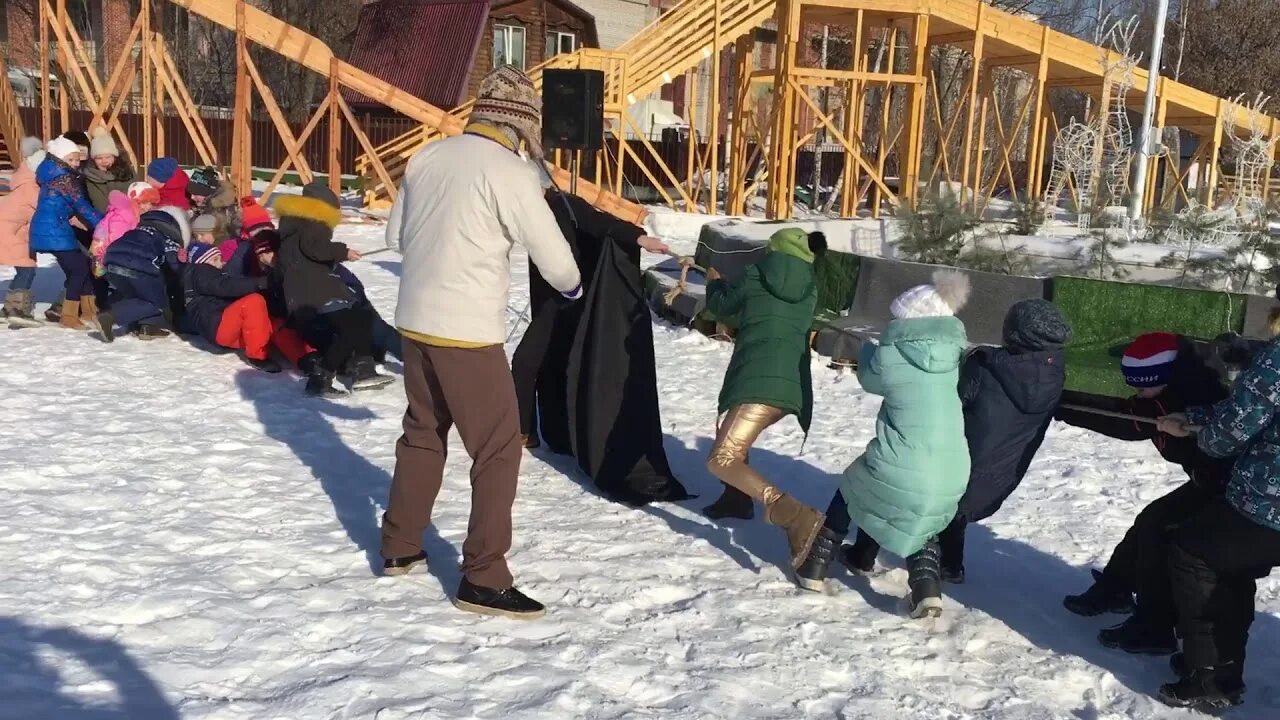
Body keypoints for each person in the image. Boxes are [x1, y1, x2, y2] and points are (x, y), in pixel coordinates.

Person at [380, 66, 582, 620]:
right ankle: (484, 576)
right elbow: (556, 259)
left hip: (415, 324)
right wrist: (573, 285)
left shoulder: (426, 157)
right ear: (522, 127)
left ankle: (399, 546)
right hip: (467, 333)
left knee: (422, 434)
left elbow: (394, 236)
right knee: (497, 449)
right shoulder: (512, 173)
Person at [797, 299, 1071, 590]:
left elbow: (954, 398)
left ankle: (871, 556)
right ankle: (947, 565)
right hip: (1003, 474)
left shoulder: (987, 366)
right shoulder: (1054, 376)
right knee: (926, 496)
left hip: (958, 461)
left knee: (896, 486)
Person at [511, 187, 689, 505]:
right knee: (541, 363)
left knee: (528, 361)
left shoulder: (558, 202)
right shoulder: (519, 207)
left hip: (570, 298)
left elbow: (598, 222)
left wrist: (639, 239)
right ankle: (536, 431)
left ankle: (525, 430)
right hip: (549, 297)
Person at [1057, 333, 1232, 657]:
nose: (1137, 393)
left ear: (1162, 378)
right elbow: (1125, 417)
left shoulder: (1191, 397)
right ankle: (1116, 589)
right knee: (1151, 520)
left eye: (1141, 386)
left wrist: (1064, 406)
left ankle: (1156, 627)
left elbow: (1126, 422)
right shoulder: (1168, 393)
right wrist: (1064, 404)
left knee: (1160, 531)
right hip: (1208, 482)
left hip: (1232, 489)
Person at [819, 271, 972, 618]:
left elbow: (869, 376)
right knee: (919, 517)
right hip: (953, 467)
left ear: (911, 323)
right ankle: (927, 591)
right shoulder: (951, 355)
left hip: (908, 462)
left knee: (851, 486)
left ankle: (814, 565)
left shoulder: (893, 355)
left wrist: (869, 348)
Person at [1151, 337, 1280, 710]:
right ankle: (1218, 663)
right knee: (1231, 561)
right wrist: (1193, 418)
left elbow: (1232, 432)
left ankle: (1209, 675)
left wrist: (1200, 434)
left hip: (1268, 507)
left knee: (1196, 554)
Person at [698, 227, 827, 567]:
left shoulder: (756, 274)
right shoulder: (810, 287)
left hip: (759, 382)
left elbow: (721, 308)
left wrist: (714, 282)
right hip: (791, 385)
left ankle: (790, 512)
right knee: (734, 434)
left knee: (722, 458)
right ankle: (736, 498)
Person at [274, 182, 391, 395]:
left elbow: (304, 256)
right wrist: (342, 252)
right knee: (354, 324)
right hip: (317, 292)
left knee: (357, 321)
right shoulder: (314, 222)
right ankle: (338, 375)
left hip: (302, 294)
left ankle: (346, 374)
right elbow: (315, 248)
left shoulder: (292, 225)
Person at [29, 136, 104, 330]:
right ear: (59, 159)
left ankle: (89, 311)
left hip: (53, 229)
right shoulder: (64, 178)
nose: (76, 164)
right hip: (54, 231)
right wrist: (104, 224)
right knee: (78, 270)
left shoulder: (51, 174)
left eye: (77, 160)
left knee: (83, 267)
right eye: (71, 160)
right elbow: (81, 205)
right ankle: (69, 315)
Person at [180, 242, 279, 372]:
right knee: (253, 302)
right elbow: (224, 286)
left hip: (220, 326)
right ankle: (258, 356)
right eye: (215, 259)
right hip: (217, 325)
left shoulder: (201, 276)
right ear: (202, 260)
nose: (221, 263)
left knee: (273, 319)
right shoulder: (200, 271)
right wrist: (260, 283)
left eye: (220, 259)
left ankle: (297, 353)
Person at [98, 207, 189, 342]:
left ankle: (146, 327)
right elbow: (173, 263)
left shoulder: (136, 231)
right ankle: (109, 316)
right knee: (157, 301)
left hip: (111, 264)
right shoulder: (167, 237)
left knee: (138, 296)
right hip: (138, 268)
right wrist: (181, 275)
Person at [1, 137, 46, 328]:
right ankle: (16, 309)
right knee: (26, 269)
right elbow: (45, 210)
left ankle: (9, 308)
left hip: (12, 231)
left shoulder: (24, 181)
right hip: (10, 232)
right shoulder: (31, 189)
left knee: (25, 269)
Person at [89, 184, 157, 276]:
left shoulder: (131, 213)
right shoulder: (125, 215)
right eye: (148, 202)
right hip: (104, 257)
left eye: (152, 203)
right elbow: (115, 240)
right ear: (138, 201)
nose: (151, 207)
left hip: (109, 255)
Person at [82, 128, 135, 212]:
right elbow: (100, 205)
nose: (104, 161)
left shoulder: (127, 173)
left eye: (108, 157)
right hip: (108, 218)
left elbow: (135, 195)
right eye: (99, 158)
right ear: (93, 159)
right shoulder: (91, 176)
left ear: (114, 157)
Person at [188, 166, 238, 240]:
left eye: (196, 193)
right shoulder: (203, 206)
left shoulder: (219, 211)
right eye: (191, 193)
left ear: (207, 192)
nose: (192, 197)